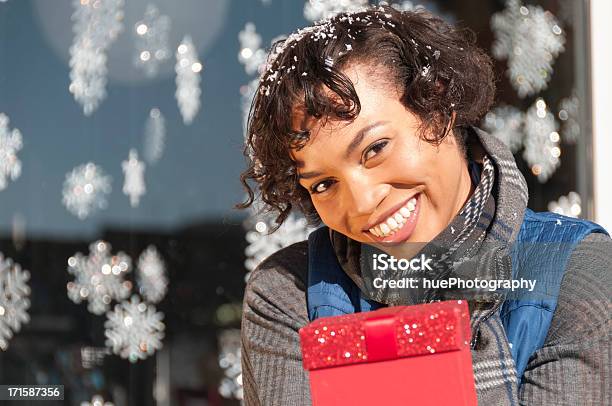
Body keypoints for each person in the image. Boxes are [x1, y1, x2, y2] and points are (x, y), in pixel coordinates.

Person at [238, 5, 611, 405]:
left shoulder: (576, 272)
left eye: (375, 148)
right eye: (325, 184)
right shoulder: (289, 295)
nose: (362, 203)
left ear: (437, 109)